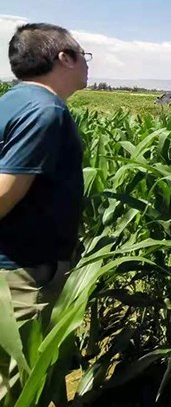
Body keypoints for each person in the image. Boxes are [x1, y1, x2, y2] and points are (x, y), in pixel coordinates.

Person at [0, 23, 89, 321]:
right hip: (23, 273)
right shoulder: (45, 111)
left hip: (15, 264)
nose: (87, 63)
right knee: (20, 366)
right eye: (83, 54)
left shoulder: (11, 102)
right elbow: (4, 192)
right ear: (65, 58)